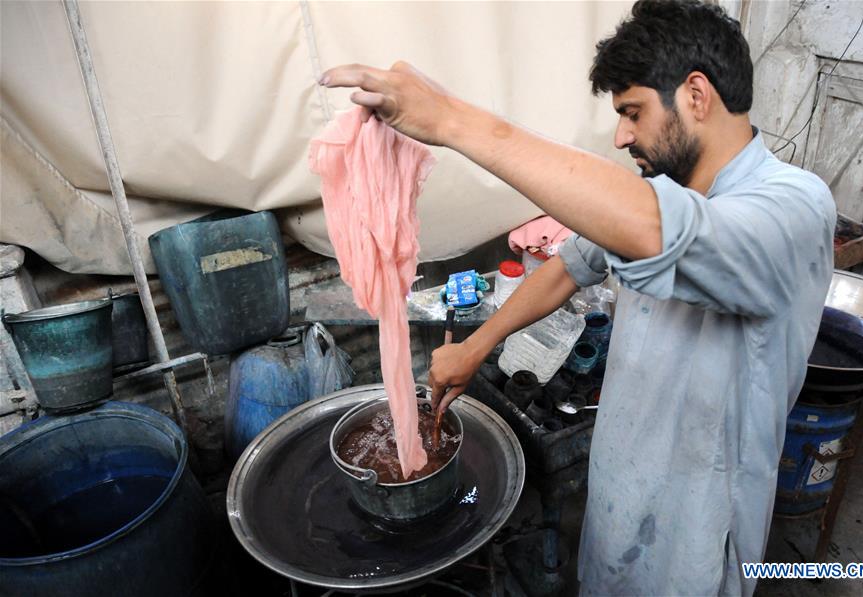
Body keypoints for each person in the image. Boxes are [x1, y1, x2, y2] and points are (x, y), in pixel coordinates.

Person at [320, 0, 835, 594]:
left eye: (633, 112)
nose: (622, 136)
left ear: (697, 95)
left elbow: (653, 231)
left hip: (696, 527)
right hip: (617, 487)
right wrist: (477, 345)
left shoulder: (793, 207)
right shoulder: (659, 187)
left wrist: (453, 122)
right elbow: (568, 265)